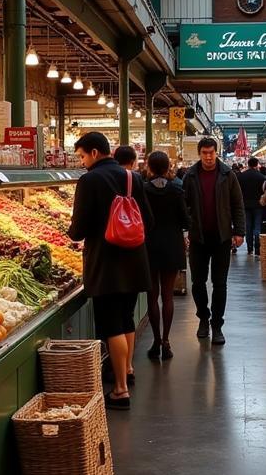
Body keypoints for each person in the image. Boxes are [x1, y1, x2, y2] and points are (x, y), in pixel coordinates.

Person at [68, 131, 152, 409]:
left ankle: (119, 389)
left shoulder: (89, 180)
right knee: (126, 317)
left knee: (110, 324)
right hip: (134, 258)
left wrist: (73, 233)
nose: (81, 162)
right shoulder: (133, 178)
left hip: (106, 263)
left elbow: (78, 229)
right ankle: (127, 369)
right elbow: (147, 220)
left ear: (94, 153)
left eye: (81, 156)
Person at [182, 137, 244, 345]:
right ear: (199, 154)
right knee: (197, 283)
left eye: (211, 153)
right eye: (204, 153)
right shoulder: (190, 176)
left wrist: (239, 231)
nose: (208, 157)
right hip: (198, 238)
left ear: (216, 153)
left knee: (220, 284)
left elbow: (237, 204)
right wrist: (185, 230)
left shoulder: (228, 175)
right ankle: (203, 318)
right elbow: (184, 206)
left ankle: (217, 325)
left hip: (222, 238)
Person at [143, 150, 190, 361]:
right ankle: (166, 341)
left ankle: (154, 340)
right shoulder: (176, 190)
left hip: (149, 245)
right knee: (168, 295)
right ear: (168, 167)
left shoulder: (143, 190)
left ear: (150, 167)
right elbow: (185, 220)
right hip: (172, 244)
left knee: (152, 296)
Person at [238, 156, 266, 256]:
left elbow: (239, 192)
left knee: (248, 226)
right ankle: (258, 249)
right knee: (257, 226)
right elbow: (264, 191)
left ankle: (249, 248)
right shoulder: (262, 177)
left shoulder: (241, 176)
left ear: (248, 164)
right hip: (258, 205)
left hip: (245, 205)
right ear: (256, 164)